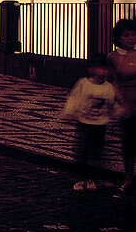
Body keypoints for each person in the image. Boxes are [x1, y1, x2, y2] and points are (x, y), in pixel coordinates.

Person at [61, 55, 117, 190]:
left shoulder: (109, 87)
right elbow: (74, 99)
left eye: (105, 68)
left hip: (100, 124)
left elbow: (111, 104)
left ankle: (92, 178)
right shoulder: (83, 84)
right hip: (84, 123)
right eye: (100, 68)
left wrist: (116, 114)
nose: (103, 71)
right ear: (91, 69)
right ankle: (80, 179)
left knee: (96, 153)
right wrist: (70, 112)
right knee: (82, 151)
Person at [107, 18, 136, 194]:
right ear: (118, 37)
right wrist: (121, 102)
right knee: (128, 142)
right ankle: (129, 177)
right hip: (126, 104)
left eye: (133, 35)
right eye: (127, 35)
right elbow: (113, 82)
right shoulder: (112, 57)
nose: (131, 39)